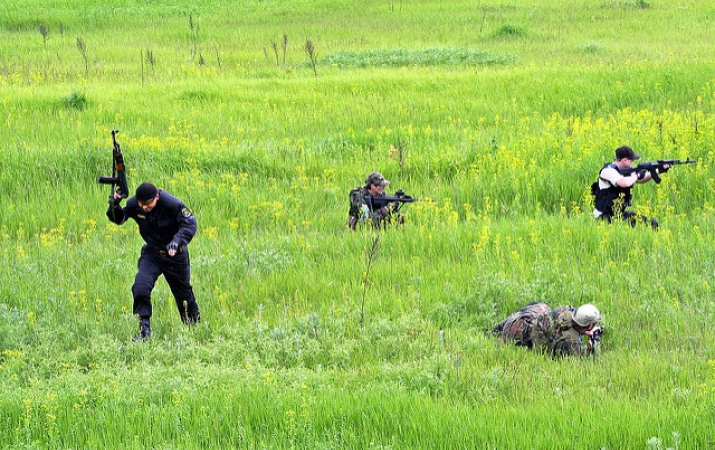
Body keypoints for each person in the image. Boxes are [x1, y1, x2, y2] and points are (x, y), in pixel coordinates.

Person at [106, 182, 201, 341]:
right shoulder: (135, 203)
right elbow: (120, 218)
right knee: (140, 287)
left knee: (183, 295)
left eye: (148, 203)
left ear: (156, 197)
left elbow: (190, 223)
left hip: (175, 254)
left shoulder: (170, 203)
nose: (144, 207)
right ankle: (144, 332)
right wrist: (114, 206)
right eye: (141, 204)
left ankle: (195, 330)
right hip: (152, 253)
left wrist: (177, 241)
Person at [593, 145, 669, 229]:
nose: (632, 163)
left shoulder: (625, 170)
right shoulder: (608, 171)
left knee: (652, 224)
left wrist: (658, 170)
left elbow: (640, 180)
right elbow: (624, 183)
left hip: (619, 213)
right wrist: (638, 175)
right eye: (631, 160)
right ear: (625, 160)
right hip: (603, 215)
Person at [492, 302, 603, 357]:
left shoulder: (563, 310)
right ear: (589, 326)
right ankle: (498, 338)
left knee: (543, 306)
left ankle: (494, 330)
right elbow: (590, 358)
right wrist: (595, 341)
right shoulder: (571, 344)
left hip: (520, 320)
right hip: (516, 336)